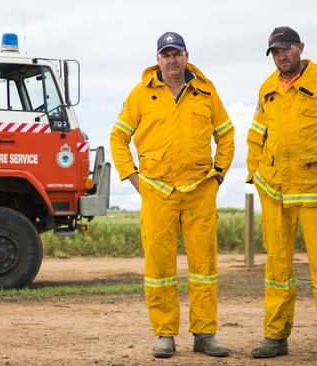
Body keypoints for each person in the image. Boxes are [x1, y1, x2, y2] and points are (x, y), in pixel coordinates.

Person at [110, 32, 235, 358]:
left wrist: (218, 175)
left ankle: (205, 334)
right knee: (159, 267)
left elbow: (226, 135)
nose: (171, 60)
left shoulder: (206, 92)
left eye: (176, 53)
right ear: (158, 60)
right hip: (158, 193)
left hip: (199, 192)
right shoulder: (140, 95)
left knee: (204, 267)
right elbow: (118, 137)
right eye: (165, 55)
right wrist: (133, 178)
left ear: (186, 56)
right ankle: (164, 334)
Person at [246, 26, 317, 362]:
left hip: (316, 191)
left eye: (286, 49)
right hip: (275, 191)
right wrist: (255, 173)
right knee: (277, 269)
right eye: (276, 52)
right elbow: (256, 133)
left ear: (300, 48)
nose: (281, 56)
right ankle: (276, 337)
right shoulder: (267, 87)